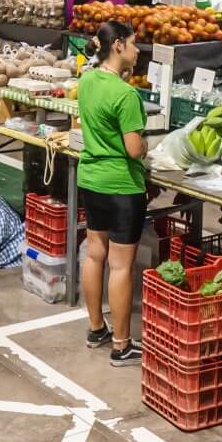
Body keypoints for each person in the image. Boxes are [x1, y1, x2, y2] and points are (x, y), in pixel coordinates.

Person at [76, 20, 149, 367]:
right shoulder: (126, 95)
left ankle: (96, 328)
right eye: (134, 44)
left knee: (94, 255)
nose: (137, 51)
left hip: (91, 180)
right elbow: (134, 149)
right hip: (121, 185)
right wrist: (148, 143)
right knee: (121, 266)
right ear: (118, 45)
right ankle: (122, 345)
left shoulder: (87, 80)